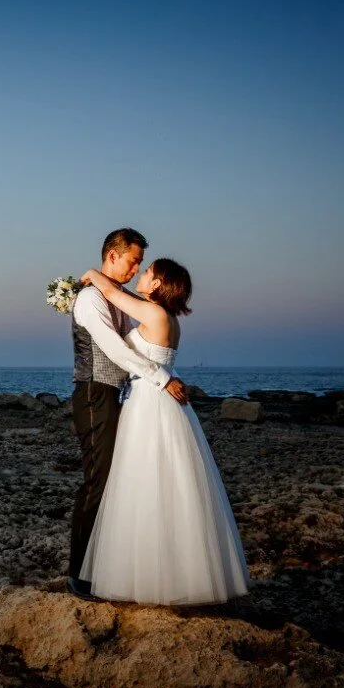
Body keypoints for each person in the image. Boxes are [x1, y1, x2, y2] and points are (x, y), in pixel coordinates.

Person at [77, 258, 250, 605]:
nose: (141, 275)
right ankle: (172, 573)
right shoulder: (166, 318)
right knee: (167, 484)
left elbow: (110, 291)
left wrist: (92, 275)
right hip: (155, 399)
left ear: (157, 284)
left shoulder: (153, 314)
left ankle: (151, 579)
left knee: (145, 482)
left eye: (147, 272)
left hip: (148, 402)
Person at [66, 228, 188, 601]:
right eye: (133, 260)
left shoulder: (122, 299)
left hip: (118, 397)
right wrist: (161, 376)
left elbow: (125, 301)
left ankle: (106, 566)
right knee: (99, 481)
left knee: (118, 481)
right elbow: (116, 352)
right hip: (93, 394)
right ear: (113, 255)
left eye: (141, 264)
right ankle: (79, 573)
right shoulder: (90, 300)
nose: (137, 269)